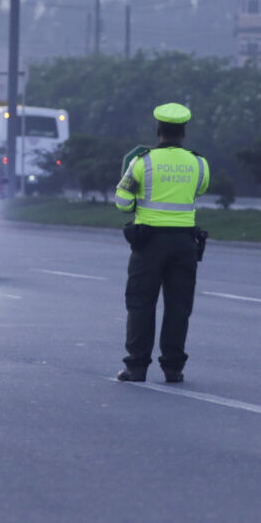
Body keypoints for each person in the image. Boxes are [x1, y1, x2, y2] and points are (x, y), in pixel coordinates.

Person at [114, 103, 210, 384]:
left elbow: (122, 203)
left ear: (158, 130)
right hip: (184, 243)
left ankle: (137, 367)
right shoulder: (198, 163)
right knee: (179, 306)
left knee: (141, 303)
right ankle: (173, 368)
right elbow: (200, 189)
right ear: (184, 132)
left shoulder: (142, 162)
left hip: (149, 243)